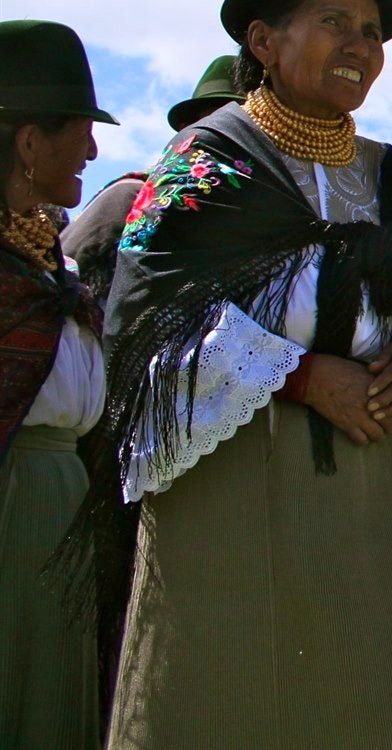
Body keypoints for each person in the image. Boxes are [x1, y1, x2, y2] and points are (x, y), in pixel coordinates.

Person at [64, 2, 392, 746]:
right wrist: (297, 375)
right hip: (248, 487)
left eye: (372, 32)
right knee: (253, 697)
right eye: (335, 19)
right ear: (263, 41)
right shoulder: (206, 163)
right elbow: (142, 327)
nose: (360, 45)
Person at [0, 20, 113, 750]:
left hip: (63, 497)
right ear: (30, 142)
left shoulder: (50, 265)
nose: (94, 151)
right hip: (18, 504)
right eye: (79, 130)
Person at [62, 54, 243, 307]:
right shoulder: (129, 198)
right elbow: (59, 286)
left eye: (249, 128)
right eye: (222, 126)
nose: (237, 139)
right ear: (187, 130)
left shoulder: (264, 218)